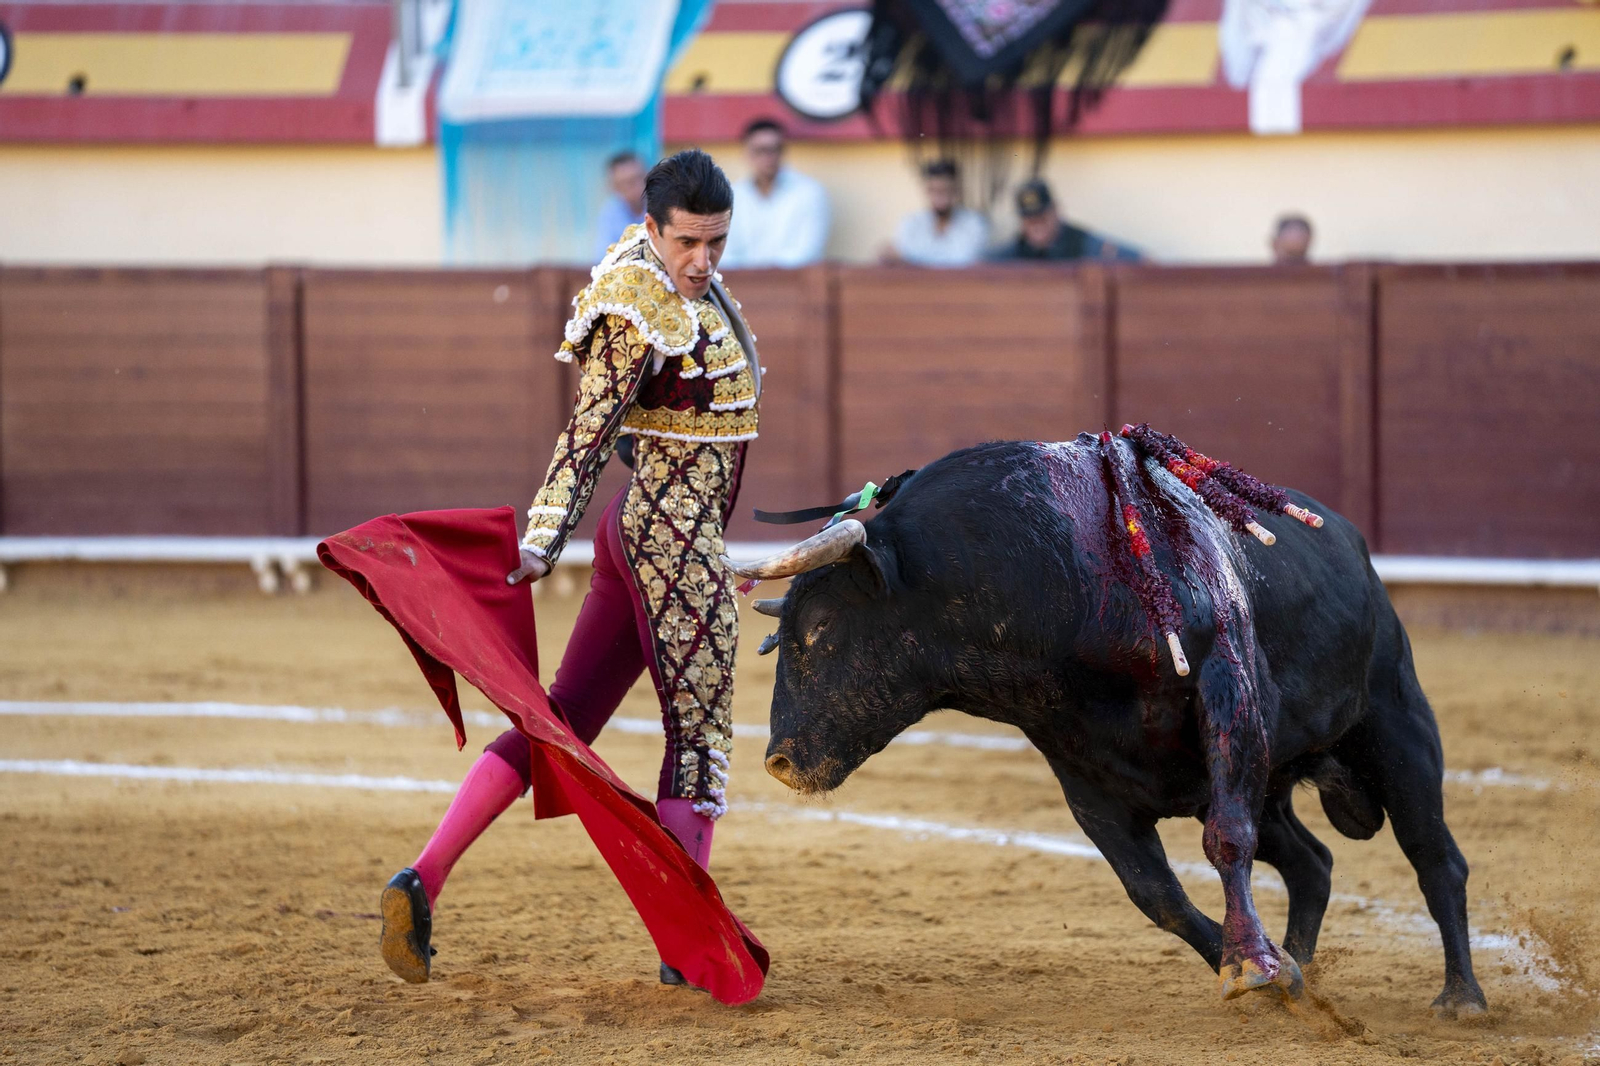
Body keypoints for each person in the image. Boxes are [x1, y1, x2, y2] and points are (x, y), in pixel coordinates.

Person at [381, 149, 763, 989]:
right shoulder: (636, 303)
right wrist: (540, 538)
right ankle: (685, 948)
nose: (703, 261)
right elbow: (589, 431)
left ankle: (427, 875)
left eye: (717, 243)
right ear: (651, 227)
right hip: (674, 549)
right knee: (696, 740)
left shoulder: (675, 283)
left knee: (565, 717)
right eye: (689, 243)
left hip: (644, 537)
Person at [719, 117, 830, 268]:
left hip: (795, 286)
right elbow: (724, 251)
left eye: (775, 149)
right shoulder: (729, 197)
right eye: (760, 150)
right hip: (741, 285)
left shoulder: (810, 193)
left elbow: (807, 252)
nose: (768, 157)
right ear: (747, 153)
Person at [990, 180, 1141, 262]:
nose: (1035, 224)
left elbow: (1137, 260)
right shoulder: (1017, 251)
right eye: (1029, 219)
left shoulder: (1079, 242)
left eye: (1041, 217)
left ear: (1056, 211)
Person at [883, 159, 988, 268]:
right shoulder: (912, 223)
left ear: (956, 191)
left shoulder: (974, 224)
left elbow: (965, 259)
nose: (939, 197)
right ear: (927, 191)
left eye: (945, 190)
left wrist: (912, 260)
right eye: (934, 190)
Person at [592, 150, 647, 261]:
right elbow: (603, 258)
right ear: (614, 187)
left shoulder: (663, 204)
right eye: (628, 183)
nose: (636, 187)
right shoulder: (610, 213)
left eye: (639, 178)